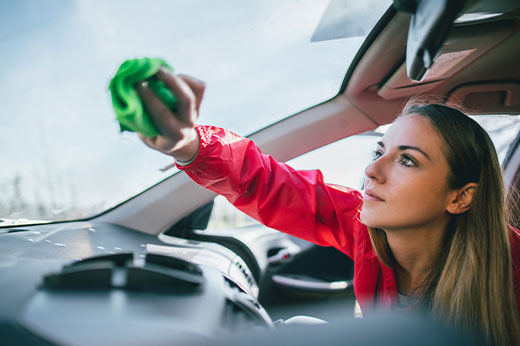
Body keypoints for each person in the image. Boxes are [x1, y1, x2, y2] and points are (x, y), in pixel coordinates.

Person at [134, 68, 520, 346]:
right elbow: (269, 183)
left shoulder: (512, 267)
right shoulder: (363, 228)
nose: (371, 170)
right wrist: (187, 143)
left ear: (460, 197)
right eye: (379, 152)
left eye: (407, 160)